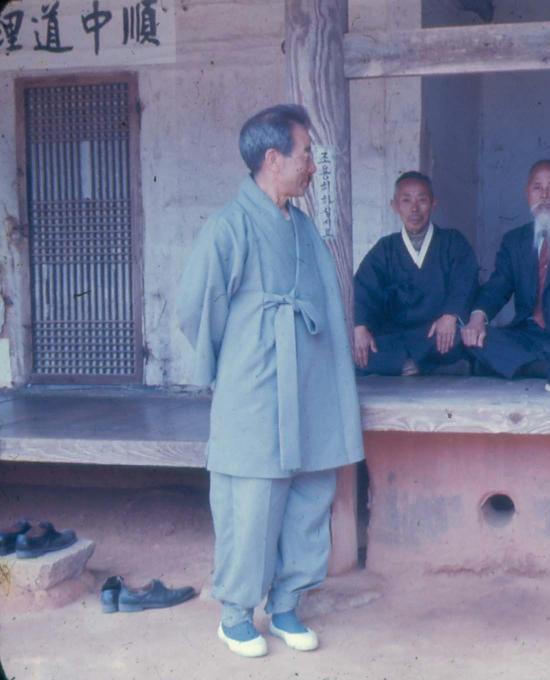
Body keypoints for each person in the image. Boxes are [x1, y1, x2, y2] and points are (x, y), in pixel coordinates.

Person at [177, 104, 364, 658]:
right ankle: (235, 610)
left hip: (307, 382)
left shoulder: (302, 226)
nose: (312, 164)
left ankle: (286, 603)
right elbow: (196, 308)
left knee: (310, 490)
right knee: (252, 496)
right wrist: (229, 364)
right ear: (273, 158)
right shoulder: (228, 226)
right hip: (256, 382)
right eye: (306, 153)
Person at [461, 159, 550, 378]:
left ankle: (522, 366)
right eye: (537, 188)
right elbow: (498, 286)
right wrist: (477, 318)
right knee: (472, 335)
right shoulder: (514, 240)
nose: (544, 196)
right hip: (525, 334)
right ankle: (545, 368)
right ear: (527, 193)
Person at [353, 171, 478, 376]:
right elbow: (363, 289)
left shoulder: (452, 242)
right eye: (406, 200)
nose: (414, 209)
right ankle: (425, 365)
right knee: (355, 348)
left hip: (438, 335)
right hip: (397, 337)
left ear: (433, 203)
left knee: (467, 337)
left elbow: (466, 281)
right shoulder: (385, 249)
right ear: (394, 205)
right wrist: (360, 327)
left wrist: (450, 315)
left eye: (422, 200)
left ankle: (406, 365)